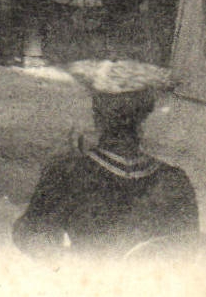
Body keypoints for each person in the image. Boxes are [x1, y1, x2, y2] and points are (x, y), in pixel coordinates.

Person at [13, 59, 199, 260]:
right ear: (144, 117)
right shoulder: (175, 180)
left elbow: (31, 237)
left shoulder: (67, 173)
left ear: (97, 116)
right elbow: (187, 250)